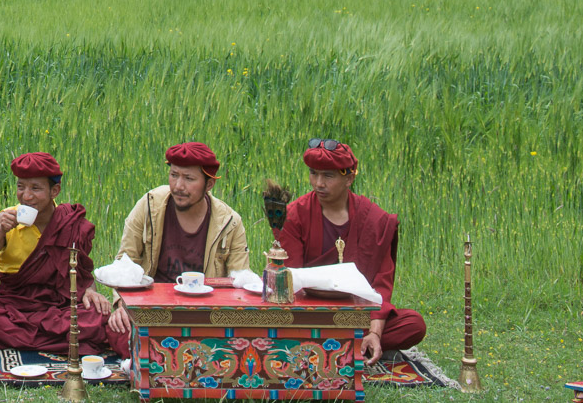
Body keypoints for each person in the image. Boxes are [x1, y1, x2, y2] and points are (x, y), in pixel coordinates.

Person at [275, 140, 427, 362]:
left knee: (413, 324)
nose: (318, 183)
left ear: (349, 178)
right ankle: (346, 346)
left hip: (359, 316)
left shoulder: (375, 219)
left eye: (328, 176)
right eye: (313, 173)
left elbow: (381, 285)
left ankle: (346, 344)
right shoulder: (295, 215)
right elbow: (291, 281)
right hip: (310, 314)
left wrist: (375, 332)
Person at [0, 153, 112, 354]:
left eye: (35, 188)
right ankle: (64, 343)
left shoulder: (69, 222)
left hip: (59, 306)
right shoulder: (5, 220)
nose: (26, 196)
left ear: (55, 190)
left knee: (100, 318)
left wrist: (91, 292)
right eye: (20, 187)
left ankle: (25, 341)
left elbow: (83, 274)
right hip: (14, 305)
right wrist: (0, 231)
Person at [117, 142, 250, 282]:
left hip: (206, 303)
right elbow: (125, 263)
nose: (178, 186)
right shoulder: (150, 205)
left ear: (209, 184)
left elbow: (239, 278)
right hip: (151, 302)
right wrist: (121, 302)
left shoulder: (230, 223)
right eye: (174, 175)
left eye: (189, 178)